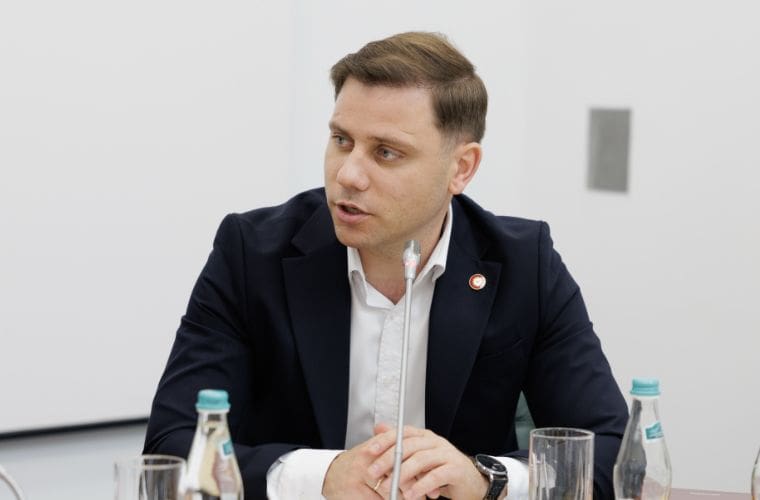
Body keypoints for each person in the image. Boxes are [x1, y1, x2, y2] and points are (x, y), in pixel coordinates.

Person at [144, 31, 628, 499]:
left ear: (461, 168)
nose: (349, 174)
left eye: (386, 152)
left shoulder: (524, 265)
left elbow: (608, 451)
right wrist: (322, 476)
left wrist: (486, 482)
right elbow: (172, 447)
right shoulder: (252, 254)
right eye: (341, 140)